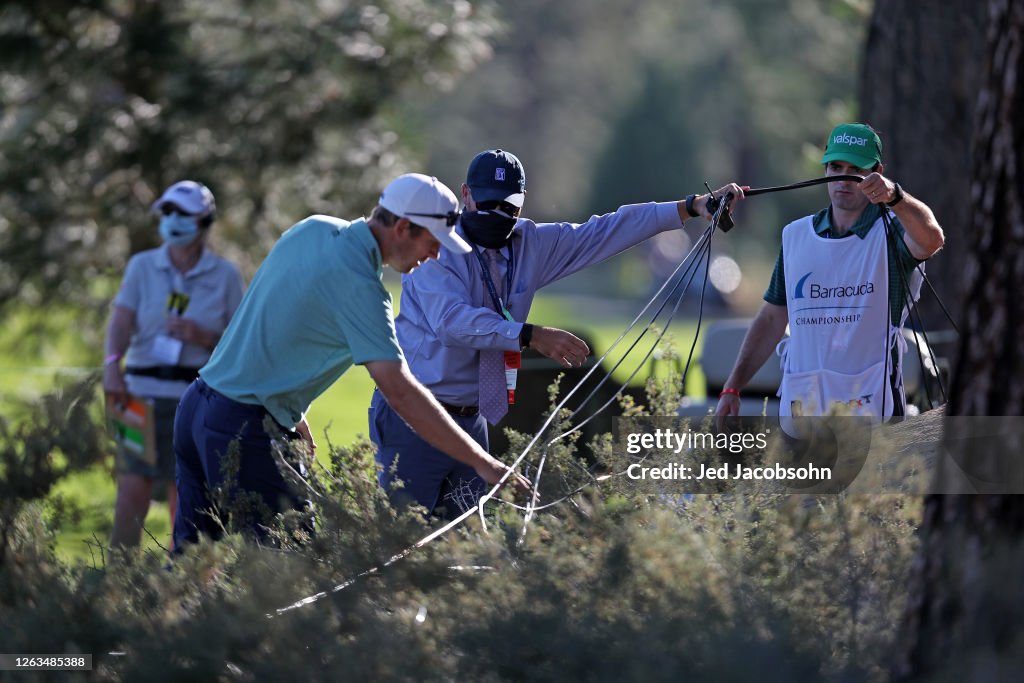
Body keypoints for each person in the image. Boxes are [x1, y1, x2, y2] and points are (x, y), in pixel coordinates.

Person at [370, 148, 745, 516]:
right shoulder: (434, 247)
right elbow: (452, 323)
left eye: (508, 205)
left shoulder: (530, 243)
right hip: (416, 417)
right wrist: (530, 335)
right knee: (401, 541)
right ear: (466, 194)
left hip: (472, 421)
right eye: (486, 202)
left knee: (467, 549)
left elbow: (606, 230)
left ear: (522, 204)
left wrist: (691, 207)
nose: (497, 213)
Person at [172, 173, 531, 548]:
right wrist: (482, 462)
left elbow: (276, 319)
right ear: (404, 227)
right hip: (242, 428)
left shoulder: (312, 228)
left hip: (197, 406)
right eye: (432, 241)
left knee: (191, 566)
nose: (435, 255)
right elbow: (401, 393)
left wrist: (291, 411)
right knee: (294, 575)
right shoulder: (364, 290)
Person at [715, 123, 945, 424]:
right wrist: (733, 386)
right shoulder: (796, 236)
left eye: (855, 170)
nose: (843, 180)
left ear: (877, 171)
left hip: (874, 410)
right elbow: (772, 318)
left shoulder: (893, 231)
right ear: (825, 169)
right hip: (803, 411)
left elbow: (932, 239)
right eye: (835, 167)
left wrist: (896, 197)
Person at [103, 180, 245, 549]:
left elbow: (241, 339)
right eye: (166, 212)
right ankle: (117, 586)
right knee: (131, 493)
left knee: (184, 499)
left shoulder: (226, 275)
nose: (172, 220)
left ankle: (183, 586)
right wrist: (111, 368)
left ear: (203, 221)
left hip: (193, 403)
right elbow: (120, 323)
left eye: (182, 213)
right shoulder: (141, 266)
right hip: (136, 397)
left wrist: (204, 336)